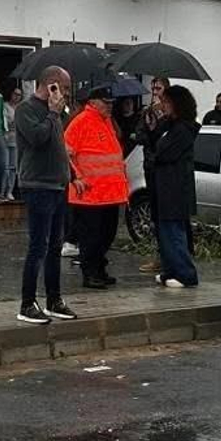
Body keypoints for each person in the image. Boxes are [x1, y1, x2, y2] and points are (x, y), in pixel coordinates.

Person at [13, 66, 79, 324]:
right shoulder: (26, 110)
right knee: (38, 246)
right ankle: (27, 303)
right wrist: (52, 113)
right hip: (37, 185)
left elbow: (58, 146)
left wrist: (73, 174)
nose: (65, 93)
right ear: (51, 85)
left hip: (57, 185)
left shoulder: (57, 113)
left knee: (55, 245)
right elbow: (38, 139)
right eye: (63, 88)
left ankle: (54, 299)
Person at [64, 84, 131, 289]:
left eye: (111, 103)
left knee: (106, 235)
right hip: (90, 194)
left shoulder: (107, 122)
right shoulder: (82, 121)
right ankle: (90, 273)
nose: (110, 107)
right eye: (106, 103)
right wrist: (77, 178)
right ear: (93, 103)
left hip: (110, 194)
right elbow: (66, 153)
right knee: (91, 237)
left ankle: (99, 269)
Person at [152, 85, 202, 288]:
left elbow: (163, 152)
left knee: (174, 233)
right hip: (164, 187)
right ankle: (170, 270)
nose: (162, 106)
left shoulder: (184, 129)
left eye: (166, 103)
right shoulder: (170, 125)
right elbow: (152, 141)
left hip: (175, 188)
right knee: (164, 232)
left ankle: (185, 273)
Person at [125, 76, 171, 273]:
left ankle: (171, 257)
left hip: (167, 169)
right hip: (151, 166)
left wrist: (160, 122)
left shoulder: (172, 114)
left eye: (158, 89)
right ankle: (159, 256)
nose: (155, 93)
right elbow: (140, 136)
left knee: (167, 214)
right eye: (153, 89)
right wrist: (149, 127)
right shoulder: (147, 113)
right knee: (155, 214)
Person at [0, 87, 22, 202]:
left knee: (13, 168)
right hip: (5, 139)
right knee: (5, 167)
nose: (17, 97)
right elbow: (5, 121)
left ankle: (9, 192)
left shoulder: (21, 108)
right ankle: (1, 191)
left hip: (16, 140)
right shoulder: (5, 106)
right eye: (15, 94)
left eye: (19, 95)